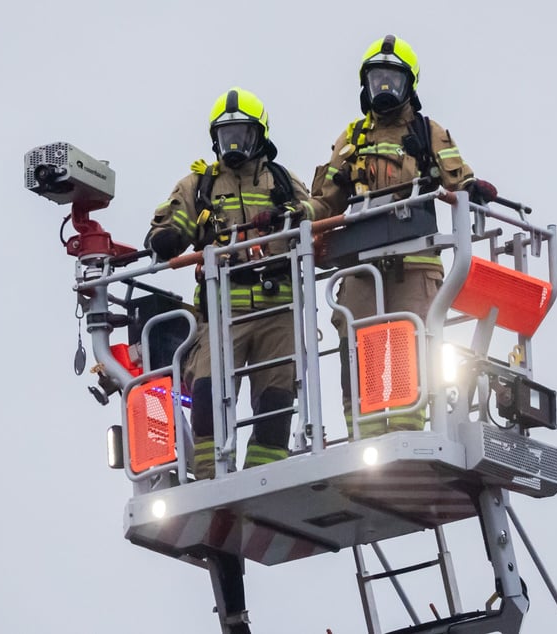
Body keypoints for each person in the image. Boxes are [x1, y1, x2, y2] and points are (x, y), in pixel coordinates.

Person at [253, 34, 498, 439]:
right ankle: (363, 437)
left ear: (409, 85)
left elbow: (458, 177)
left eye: (392, 79)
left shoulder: (428, 132)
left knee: (408, 341)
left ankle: (407, 432)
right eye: (376, 78)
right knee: (355, 344)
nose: (383, 87)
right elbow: (325, 201)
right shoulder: (352, 138)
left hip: (415, 263)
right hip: (362, 264)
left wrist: (473, 189)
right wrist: (296, 213)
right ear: (364, 84)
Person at [145, 87, 311, 478]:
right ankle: (210, 478)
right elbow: (169, 226)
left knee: (276, 399)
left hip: (278, 311)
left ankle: (263, 476)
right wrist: (165, 238)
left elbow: (314, 213)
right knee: (206, 398)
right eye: (226, 136)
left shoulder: (282, 182)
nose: (233, 144)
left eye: (242, 135)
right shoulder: (199, 185)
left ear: (260, 136)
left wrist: (292, 213)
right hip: (221, 312)